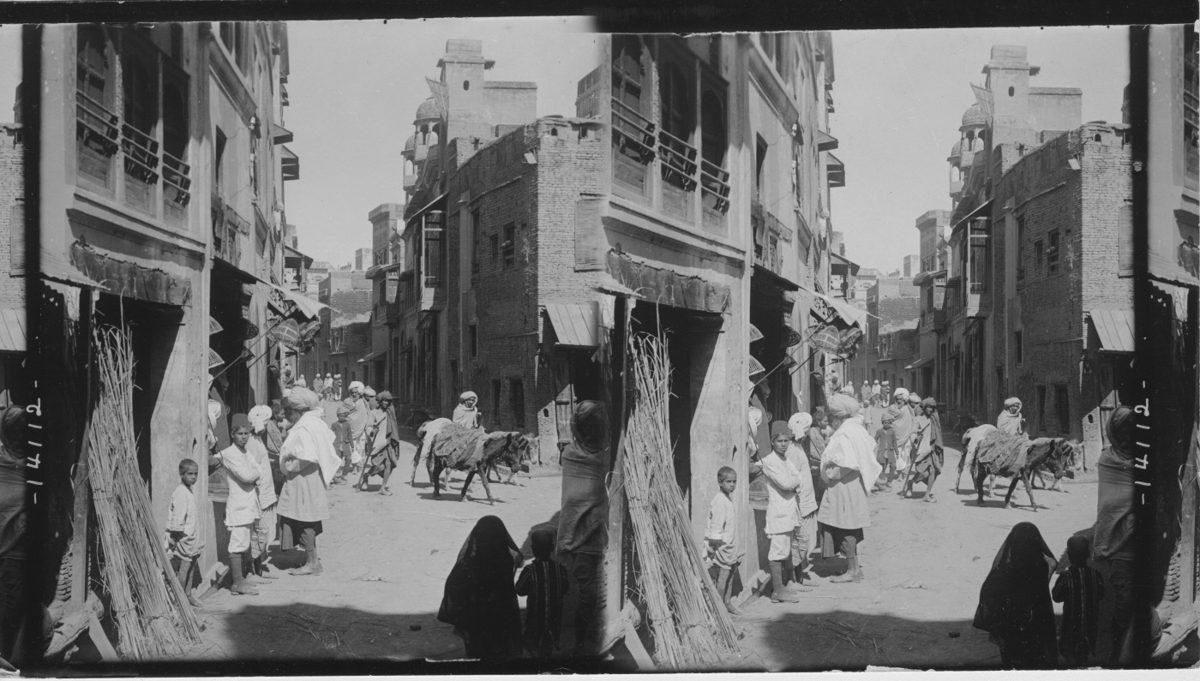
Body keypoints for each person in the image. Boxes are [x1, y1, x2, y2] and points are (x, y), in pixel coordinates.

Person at [556, 400, 610, 655]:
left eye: (593, 427)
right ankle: (582, 639)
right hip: (589, 538)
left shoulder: (570, 454)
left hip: (581, 536)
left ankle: (579, 637)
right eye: (589, 427)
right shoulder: (604, 458)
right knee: (590, 593)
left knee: (583, 591)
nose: (590, 432)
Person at [973, 522, 1058, 668]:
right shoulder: (1042, 565)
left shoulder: (1005, 569)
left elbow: (988, 594)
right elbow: (1051, 566)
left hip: (1011, 625)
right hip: (1038, 622)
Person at [816, 394, 881, 583]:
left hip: (844, 485)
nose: (831, 422)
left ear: (839, 417)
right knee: (848, 525)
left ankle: (853, 570)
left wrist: (828, 474)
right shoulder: (857, 429)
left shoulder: (845, 433)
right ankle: (854, 568)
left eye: (832, 418)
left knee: (845, 526)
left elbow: (845, 464)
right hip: (852, 484)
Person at [438, 516, 524, 659]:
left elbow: (453, 587)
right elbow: (518, 558)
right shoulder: (508, 560)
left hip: (476, 620)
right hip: (502, 617)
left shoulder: (468, 564)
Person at [277, 388, 340, 577]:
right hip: (311, 478)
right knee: (307, 519)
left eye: (289, 412)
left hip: (303, 479)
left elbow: (305, 457)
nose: (288, 415)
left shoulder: (305, 427)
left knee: (305, 520)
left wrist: (287, 467)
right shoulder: (315, 423)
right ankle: (312, 560)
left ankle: (312, 563)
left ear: (298, 411)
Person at [1093, 405, 1136, 665]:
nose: (1128, 438)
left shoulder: (1150, 459)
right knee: (1124, 601)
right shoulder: (1107, 461)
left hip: (1145, 542)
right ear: (1114, 433)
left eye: (1133, 432)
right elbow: (1110, 506)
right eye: (1123, 432)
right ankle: (1117, 653)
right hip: (1120, 548)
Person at [756, 421, 807, 602]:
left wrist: (792, 483)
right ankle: (777, 590)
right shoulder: (770, 462)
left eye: (786, 441)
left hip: (789, 510)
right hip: (779, 512)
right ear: (772, 442)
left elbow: (798, 478)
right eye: (780, 441)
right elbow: (786, 484)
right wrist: (792, 483)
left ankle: (782, 587)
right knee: (777, 551)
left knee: (785, 549)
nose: (783, 444)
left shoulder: (785, 459)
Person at [212, 414, 262, 596]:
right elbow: (247, 476)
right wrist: (254, 474)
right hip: (238, 504)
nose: (244, 436)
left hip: (249, 504)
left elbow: (259, 469)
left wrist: (254, 474)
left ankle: (243, 579)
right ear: (233, 434)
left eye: (246, 433)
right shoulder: (229, 454)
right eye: (240, 433)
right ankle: (237, 583)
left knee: (245, 542)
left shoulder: (245, 452)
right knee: (237, 544)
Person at [0, 407, 30, 664]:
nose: (19, 434)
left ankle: (8, 656)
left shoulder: (36, 463)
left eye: (24, 428)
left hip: (18, 549)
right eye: (14, 429)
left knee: (13, 604)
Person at [516, 528, 570, 658]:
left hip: (534, 620)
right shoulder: (560, 569)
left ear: (533, 549)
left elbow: (519, 590)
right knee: (548, 646)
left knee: (532, 645)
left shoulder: (530, 570)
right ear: (552, 548)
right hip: (554, 620)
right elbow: (565, 588)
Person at [1053, 535, 1104, 668]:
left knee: (1069, 652)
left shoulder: (1066, 577)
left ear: (1069, 555)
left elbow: (1056, 597)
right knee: (1084, 653)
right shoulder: (1095, 574)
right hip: (1089, 626)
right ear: (1088, 554)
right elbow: (1101, 594)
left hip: (1071, 626)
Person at [786, 413, 820, 588]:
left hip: (806, 501)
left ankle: (799, 576)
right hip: (800, 502)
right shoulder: (792, 450)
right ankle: (792, 579)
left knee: (804, 540)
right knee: (798, 540)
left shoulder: (797, 447)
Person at [166, 458, 205, 607]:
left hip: (191, 537)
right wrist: (175, 538)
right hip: (182, 538)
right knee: (184, 568)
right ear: (182, 474)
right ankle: (179, 599)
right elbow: (178, 518)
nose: (193, 477)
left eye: (195, 474)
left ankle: (188, 594)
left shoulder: (189, 490)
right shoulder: (180, 492)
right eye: (190, 474)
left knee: (192, 564)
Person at [705, 466, 744, 615]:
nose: (732, 485)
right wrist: (715, 547)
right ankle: (719, 608)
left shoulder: (727, 498)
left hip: (730, 545)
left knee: (730, 574)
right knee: (723, 577)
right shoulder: (719, 501)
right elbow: (716, 527)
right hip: (722, 547)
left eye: (734, 481)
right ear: (720, 482)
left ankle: (727, 602)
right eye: (728, 482)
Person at [247, 405, 280, 580]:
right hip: (260, 494)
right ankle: (255, 570)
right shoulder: (252, 442)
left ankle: (259, 568)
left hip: (266, 493)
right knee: (260, 532)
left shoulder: (257, 440)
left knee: (265, 531)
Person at [900, 397, 944, 502]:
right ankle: (910, 482)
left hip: (932, 449)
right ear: (924, 408)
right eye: (929, 407)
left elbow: (938, 432)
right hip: (922, 450)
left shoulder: (934, 419)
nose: (931, 410)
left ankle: (927, 495)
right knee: (924, 473)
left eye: (932, 408)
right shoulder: (918, 419)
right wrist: (915, 438)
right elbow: (913, 432)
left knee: (934, 471)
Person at [358, 391, 401, 495]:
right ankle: (366, 476)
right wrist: (372, 432)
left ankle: (382, 487)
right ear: (380, 401)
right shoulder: (373, 413)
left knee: (389, 465)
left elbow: (394, 426)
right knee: (379, 467)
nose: (386, 403)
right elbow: (368, 427)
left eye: (388, 401)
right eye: (384, 401)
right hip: (378, 443)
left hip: (389, 442)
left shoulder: (390, 413)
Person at [346, 381, 370, 478]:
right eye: (352, 392)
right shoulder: (347, 402)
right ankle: (355, 466)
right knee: (353, 448)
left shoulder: (363, 402)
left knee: (361, 447)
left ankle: (359, 465)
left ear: (359, 393)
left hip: (362, 429)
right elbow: (343, 414)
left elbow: (368, 413)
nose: (354, 394)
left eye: (356, 392)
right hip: (351, 430)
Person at [873, 411, 899, 491]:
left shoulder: (892, 431)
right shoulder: (879, 431)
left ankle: (889, 481)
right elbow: (875, 440)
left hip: (890, 452)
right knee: (882, 467)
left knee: (893, 466)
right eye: (884, 423)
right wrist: (873, 447)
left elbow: (894, 442)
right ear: (882, 423)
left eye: (888, 423)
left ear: (890, 423)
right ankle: (882, 483)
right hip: (882, 452)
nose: (886, 424)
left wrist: (897, 452)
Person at [330, 404, 354, 484]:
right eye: (340, 416)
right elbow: (330, 433)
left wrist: (352, 445)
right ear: (337, 416)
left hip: (345, 444)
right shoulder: (334, 424)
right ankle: (336, 475)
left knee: (348, 459)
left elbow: (350, 435)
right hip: (337, 445)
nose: (342, 417)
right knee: (337, 460)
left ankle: (344, 474)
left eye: (343, 416)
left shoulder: (347, 424)